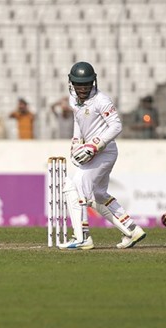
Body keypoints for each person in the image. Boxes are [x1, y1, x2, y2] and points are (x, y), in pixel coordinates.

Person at [58, 61, 146, 250]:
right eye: (79, 85)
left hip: (105, 152)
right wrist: (76, 143)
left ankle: (82, 237)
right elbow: (78, 121)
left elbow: (116, 125)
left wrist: (95, 145)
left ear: (93, 82)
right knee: (98, 194)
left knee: (75, 186)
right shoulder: (73, 99)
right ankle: (131, 229)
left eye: (87, 84)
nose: (83, 89)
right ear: (71, 83)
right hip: (91, 152)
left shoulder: (101, 100)